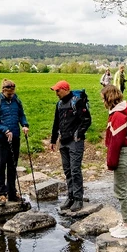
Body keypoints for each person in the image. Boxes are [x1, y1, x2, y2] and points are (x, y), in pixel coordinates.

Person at [47, 79, 92, 213]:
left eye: (58, 90)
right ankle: (70, 197)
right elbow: (56, 123)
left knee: (75, 170)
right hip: (63, 141)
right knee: (67, 170)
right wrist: (53, 140)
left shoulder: (77, 101)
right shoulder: (59, 104)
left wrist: (79, 134)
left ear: (65, 89)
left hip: (75, 141)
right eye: (55, 90)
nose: (56, 93)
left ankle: (78, 198)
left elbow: (87, 120)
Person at [0, 79, 29, 203]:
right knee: (0, 166)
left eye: (13, 92)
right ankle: (1, 194)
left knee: (12, 166)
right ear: (4, 90)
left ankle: (12, 193)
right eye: (9, 93)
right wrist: (4, 130)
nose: (11, 95)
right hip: (1, 140)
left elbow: (21, 115)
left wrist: (25, 125)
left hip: (15, 138)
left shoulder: (17, 101)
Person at [102, 83, 127, 226]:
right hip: (125, 154)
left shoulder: (117, 116)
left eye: (103, 98)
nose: (102, 102)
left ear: (109, 98)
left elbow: (115, 144)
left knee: (121, 190)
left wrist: (110, 163)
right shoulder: (119, 113)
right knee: (123, 188)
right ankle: (126, 221)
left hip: (122, 154)